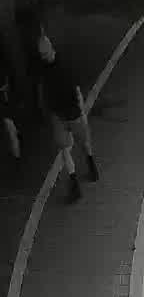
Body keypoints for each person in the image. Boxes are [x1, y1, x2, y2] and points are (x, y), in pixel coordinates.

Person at [35, 34, 96, 203]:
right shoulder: (60, 65)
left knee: (74, 147)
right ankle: (84, 173)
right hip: (66, 114)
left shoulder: (52, 69)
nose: (44, 56)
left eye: (44, 54)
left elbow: (47, 95)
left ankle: (81, 174)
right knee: (75, 145)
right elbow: (74, 89)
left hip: (64, 114)